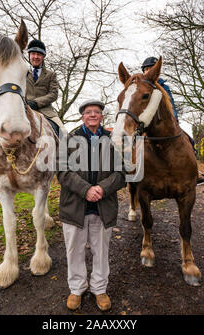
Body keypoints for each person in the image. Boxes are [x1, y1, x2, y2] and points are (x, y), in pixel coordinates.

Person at [57, 99, 126, 311]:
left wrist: (102, 189)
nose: (93, 115)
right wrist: (86, 189)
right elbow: (62, 171)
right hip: (75, 207)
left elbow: (121, 174)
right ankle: (77, 289)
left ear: (102, 116)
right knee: (74, 251)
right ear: (82, 117)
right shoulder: (69, 140)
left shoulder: (112, 141)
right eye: (88, 112)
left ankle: (99, 288)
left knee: (101, 251)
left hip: (103, 208)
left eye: (97, 112)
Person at [141, 56, 204, 186]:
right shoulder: (141, 87)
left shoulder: (164, 86)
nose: (149, 72)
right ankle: (131, 171)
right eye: (146, 69)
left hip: (165, 124)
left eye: (151, 69)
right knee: (132, 142)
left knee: (190, 141)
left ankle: (195, 171)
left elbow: (170, 104)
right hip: (146, 123)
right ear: (143, 71)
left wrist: (174, 120)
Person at [26, 39, 67, 136]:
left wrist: (36, 103)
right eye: (33, 54)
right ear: (29, 55)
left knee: (65, 134)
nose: (36, 57)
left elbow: (53, 94)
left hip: (47, 112)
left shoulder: (51, 74)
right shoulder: (22, 73)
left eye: (39, 54)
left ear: (43, 56)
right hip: (25, 109)